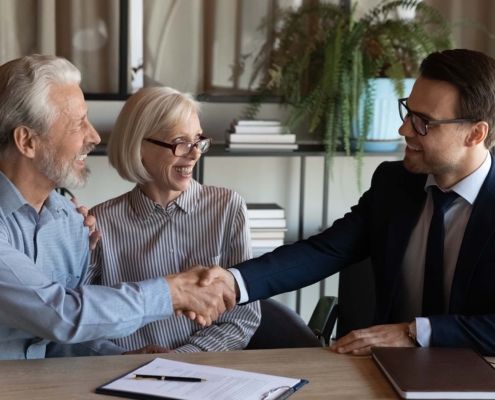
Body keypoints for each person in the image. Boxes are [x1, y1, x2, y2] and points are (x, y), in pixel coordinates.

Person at [198, 49, 495, 356]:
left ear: (475, 134)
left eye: (424, 123)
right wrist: (234, 281)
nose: (404, 129)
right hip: (386, 371)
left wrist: (415, 332)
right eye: (408, 112)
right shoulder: (394, 184)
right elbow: (324, 251)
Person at [0, 54, 235, 360]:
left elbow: (57, 338)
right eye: (77, 124)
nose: (94, 136)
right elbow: (60, 316)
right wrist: (172, 292)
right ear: (27, 141)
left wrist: (118, 357)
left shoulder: (72, 223)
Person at [85, 87, 261, 353]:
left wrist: (183, 357)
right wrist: (122, 356)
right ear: (139, 146)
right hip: (123, 374)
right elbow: (81, 318)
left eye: (198, 140)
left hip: (207, 375)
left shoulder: (227, 208)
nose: (194, 154)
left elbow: (243, 317)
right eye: (180, 141)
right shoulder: (100, 222)